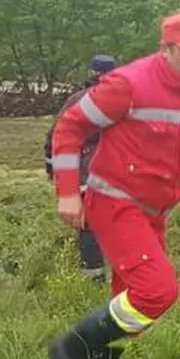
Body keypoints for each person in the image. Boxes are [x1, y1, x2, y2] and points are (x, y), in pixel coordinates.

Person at [46, 12, 180, 359]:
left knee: (130, 310)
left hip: (154, 211)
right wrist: (67, 194)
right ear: (165, 49)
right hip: (114, 201)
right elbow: (69, 129)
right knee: (156, 291)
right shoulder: (127, 84)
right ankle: (69, 349)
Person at [44, 54, 116, 279]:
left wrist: (51, 166)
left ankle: (93, 277)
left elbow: (57, 135)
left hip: (86, 172)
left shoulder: (77, 100)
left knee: (89, 225)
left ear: (93, 72)